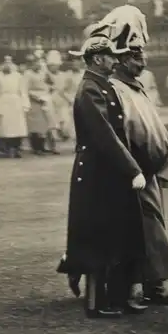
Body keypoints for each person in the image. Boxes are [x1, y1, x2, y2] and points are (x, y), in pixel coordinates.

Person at [57, 32, 149, 319]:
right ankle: (96, 303)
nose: (116, 61)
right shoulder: (90, 90)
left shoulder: (102, 86)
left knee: (119, 231)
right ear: (98, 59)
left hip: (108, 170)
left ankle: (117, 296)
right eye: (111, 56)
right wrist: (132, 168)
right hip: (97, 172)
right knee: (99, 235)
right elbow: (104, 135)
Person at [110, 38, 168, 306]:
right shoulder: (115, 89)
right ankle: (135, 286)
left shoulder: (137, 88)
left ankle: (154, 285)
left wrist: (164, 157)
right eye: (136, 59)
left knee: (153, 225)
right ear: (120, 60)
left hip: (149, 168)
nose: (142, 64)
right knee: (140, 227)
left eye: (142, 58)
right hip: (132, 169)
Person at [0, 54, 30, 158]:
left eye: (9, 62)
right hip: (4, 102)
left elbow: (23, 91)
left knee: (18, 127)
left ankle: (16, 148)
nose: (7, 65)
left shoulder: (18, 76)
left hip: (16, 102)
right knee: (6, 127)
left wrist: (25, 104)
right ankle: (8, 149)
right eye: (5, 63)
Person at [24, 55, 53, 155]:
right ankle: (35, 147)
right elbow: (26, 89)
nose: (37, 65)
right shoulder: (28, 74)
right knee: (34, 126)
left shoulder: (43, 73)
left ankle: (42, 146)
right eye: (34, 63)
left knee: (44, 125)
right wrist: (35, 98)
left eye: (38, 63)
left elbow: (50, 83)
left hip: (44, 98)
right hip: (34, 100)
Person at [63, 51, 85, 146]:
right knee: (74, 123)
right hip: (73, 100)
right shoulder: (68, 75)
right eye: (73, 62)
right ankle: (78, 142)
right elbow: (63, 90)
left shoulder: (84, 73)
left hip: (84, 100)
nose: (75, 64)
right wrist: (69, 99)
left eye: (77, 61)